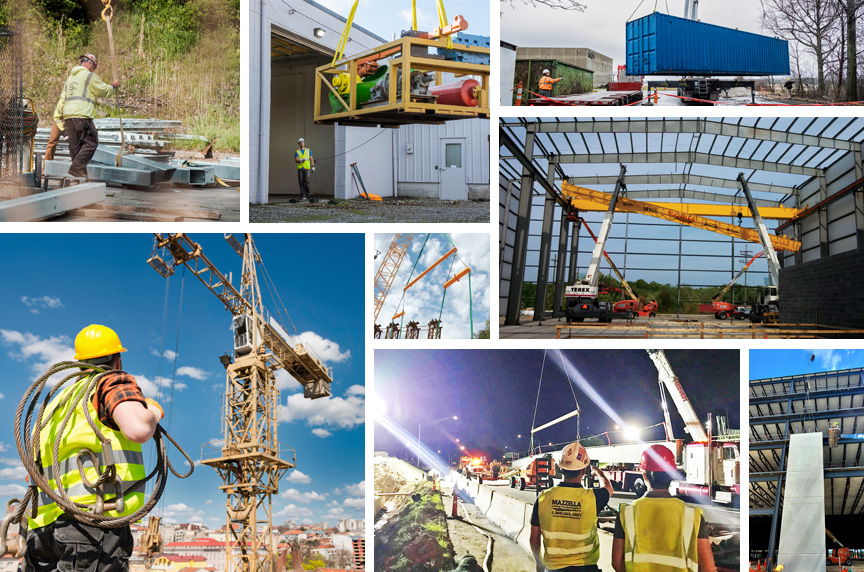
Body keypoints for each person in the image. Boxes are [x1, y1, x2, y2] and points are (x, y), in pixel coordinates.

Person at [21, 324, 165, 572]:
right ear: (117, 360)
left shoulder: (57, 402)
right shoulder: (109, 383)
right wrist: (152, 410)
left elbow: (32, 469)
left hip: (42, 532)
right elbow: (139, 428)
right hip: (91, 527)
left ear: (79, 364)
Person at [611, 444, 716, 572]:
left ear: (644, 476)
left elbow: (617, 563)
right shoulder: (692, 515)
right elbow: (708, 568)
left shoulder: (626, 512)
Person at [530, 442, 614, 572]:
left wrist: (538, 563)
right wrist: (598, 472)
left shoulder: (543, 498)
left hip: (553, 568)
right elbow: (608, 488)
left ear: (560, 467)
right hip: (586, 567)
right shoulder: (593, 498)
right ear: (584, 470)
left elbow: (534, 538)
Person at [61, 54, 119, 178]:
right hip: (82, 115)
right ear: (90, 64)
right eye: (93, 67)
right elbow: (103, 90)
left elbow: (63, 98)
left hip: (68, 116)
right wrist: (113, 86)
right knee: (91, 142)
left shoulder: (69, 78)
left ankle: (80, 177)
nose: (93, 70)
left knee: (75, 147)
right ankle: (76, 169)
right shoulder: (88, 76)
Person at [44, 94, 65, 164]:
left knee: (75, 143)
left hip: (72, 117)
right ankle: (46, 168)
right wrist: (63, 130)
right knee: (52, 142)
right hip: (59, 117)